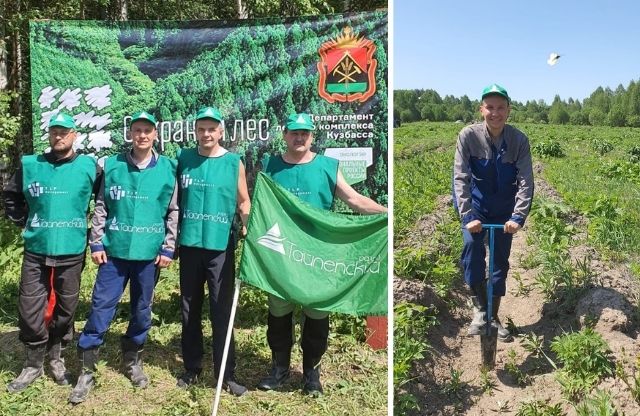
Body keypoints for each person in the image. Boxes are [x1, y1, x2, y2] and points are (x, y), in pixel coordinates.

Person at [257, 113, 387, 396]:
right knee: (278, 312)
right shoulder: (270, 166)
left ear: (312, 136)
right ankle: (279, 368)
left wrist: (386, 214)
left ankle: (311, 375)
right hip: (281, 253)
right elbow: (258, 205)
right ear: (285, 135)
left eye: (305, 133)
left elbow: (354, 199)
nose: (299, 137)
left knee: (317, 313)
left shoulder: (327, 167)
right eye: (294, 132)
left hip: (317, 254)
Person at [68, 111, 179, 403]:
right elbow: (101, 205)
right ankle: (87, 370)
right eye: (137, 130)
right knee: (101, 307)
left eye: (147, 131)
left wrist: (169, 247)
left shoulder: (168, 168)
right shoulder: (114, 165)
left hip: (149, 255)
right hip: (114, 254)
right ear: (130, 134)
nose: (142, 135)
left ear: (156, 134)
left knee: (142, 309)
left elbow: (173, 211)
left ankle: (132, 360)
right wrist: (96, 243)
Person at [3, 113, 98, 393]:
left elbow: (104, 201)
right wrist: (24, 221)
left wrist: (95, 231)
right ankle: (32, 363)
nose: (59, 136)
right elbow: (11, 195)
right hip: (37, 250)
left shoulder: (89, 167)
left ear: (74, 135)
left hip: (71, 250)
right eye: (54, 131)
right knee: (30, 309)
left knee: (66, 309)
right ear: (49, 134)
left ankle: (56, 357)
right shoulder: (31, 164)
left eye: (64, 132)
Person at [175, 107, 250, 396]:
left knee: (222, 310)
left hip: (221, 248)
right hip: (191, 246)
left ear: (221, 132)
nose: (206, 134)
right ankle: (192, 367)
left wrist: (249, 229)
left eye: (212, 129)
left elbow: (244, 203)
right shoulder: (184, 160)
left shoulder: (233, 163)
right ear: (195, 132)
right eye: (201, 129)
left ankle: (225, 374)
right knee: (189, 309)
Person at [452, 84, 534, 342]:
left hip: (504, 211)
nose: (495, 113)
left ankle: (494, 316)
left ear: (508, 110)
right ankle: (479, 309)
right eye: (490, 107)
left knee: (499, 261)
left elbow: (525, 182)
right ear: (481, 109)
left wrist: (517, 217)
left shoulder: (519, 140)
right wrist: (467, 217)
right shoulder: (468, 136)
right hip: (477, 207)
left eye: (500, 107)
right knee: (472, 249)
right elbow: (460, 178)